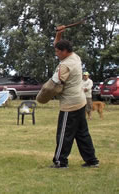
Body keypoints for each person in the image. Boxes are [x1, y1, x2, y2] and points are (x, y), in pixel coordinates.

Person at [48, 25, 99, 168]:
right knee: (82, 134)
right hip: (80, 101)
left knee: (64, 134)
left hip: (69, 105)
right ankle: (92, 161)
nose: (56, 53)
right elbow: (57, 45)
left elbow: (56, 85)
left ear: (64, 52)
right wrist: (59, 33)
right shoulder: (75, 57)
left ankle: (60, 162)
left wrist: (45, 94)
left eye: (58, 52)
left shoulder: (64, 66)